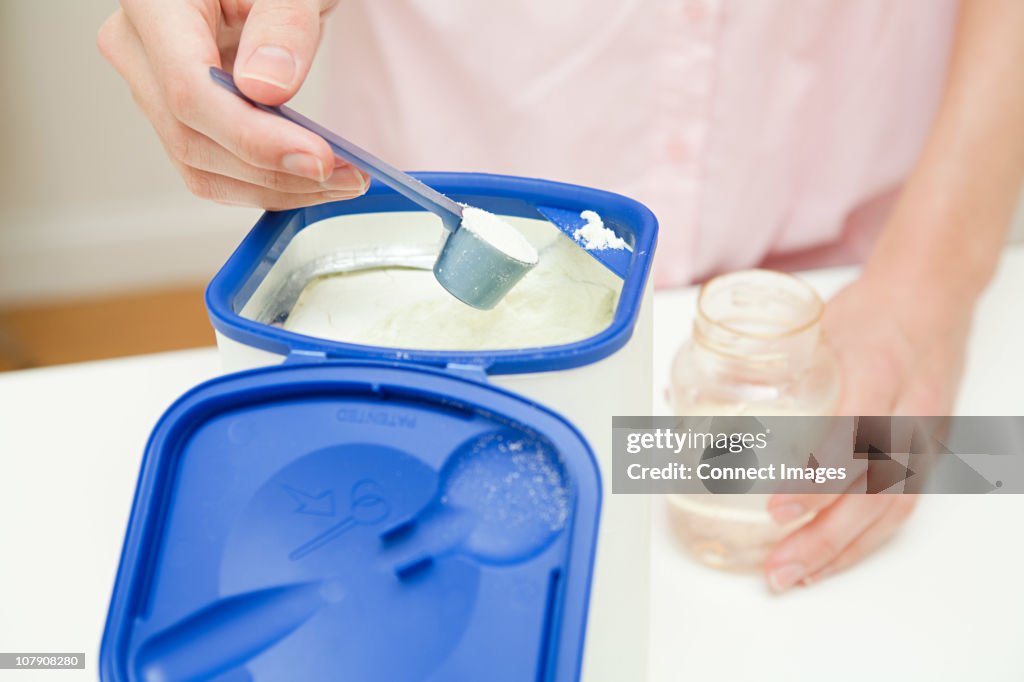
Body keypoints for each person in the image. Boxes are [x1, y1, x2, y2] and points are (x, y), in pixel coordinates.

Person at [97, 0, 1024, 592]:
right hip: (414, 308)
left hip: (853, 287)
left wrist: (928, 284)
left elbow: (990, 465)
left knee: (982, 485)